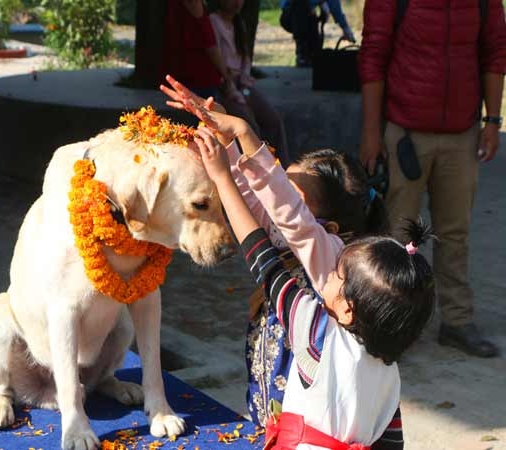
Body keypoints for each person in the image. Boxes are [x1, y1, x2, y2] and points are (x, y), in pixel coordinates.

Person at [161, 75, 406, 448]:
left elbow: (287, 214)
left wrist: (243, 132)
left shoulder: (329, 260)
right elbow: (256, 196)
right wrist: (227, 134)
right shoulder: (291, 237)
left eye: (291, 194)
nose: (276, 199)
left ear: (331, 227)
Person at [358, 0, 506, 357]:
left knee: (454, 232)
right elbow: (373, 55)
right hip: (405, 133)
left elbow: (495, 50)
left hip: (463, 133)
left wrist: (492, 121)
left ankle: (457, 321)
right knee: (397, 239)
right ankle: (390, 326)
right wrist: (371, 132)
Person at [210, 0, 291, 168]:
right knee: (250, 125)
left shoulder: (239, 22)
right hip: (225, 86)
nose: (237, 3)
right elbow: (216, 58)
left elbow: (245, 58)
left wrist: (244, 81)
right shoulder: (213, 21)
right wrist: (231, 84)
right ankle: (260, 170)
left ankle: (283, 168)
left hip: (242, 83)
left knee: (273, 120)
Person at [161, 0, 232, 99]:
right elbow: (210, 47)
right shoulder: (193, 3)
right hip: (200, 79)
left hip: (181, 75)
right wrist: (227, 77)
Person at [280, 0, 356, 68]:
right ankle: (302, 52)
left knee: (315, 53)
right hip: (291, 16)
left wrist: (345, 28)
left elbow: (334, 4)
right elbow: (285, 4)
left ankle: (311, 53)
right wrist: (321, 2)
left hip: (306, 17)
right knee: (301, 6)